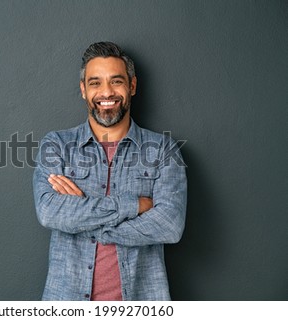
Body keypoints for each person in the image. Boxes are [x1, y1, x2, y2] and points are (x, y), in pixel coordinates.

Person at [33, 42, 187, 301]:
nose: (106, 92)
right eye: (95, 83)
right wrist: (133, 206)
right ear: (83, 90)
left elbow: (169, 225)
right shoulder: (56, 145)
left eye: (116, 81)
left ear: (132, 86)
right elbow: (49, 212)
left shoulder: (163, 150)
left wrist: (85, 218)